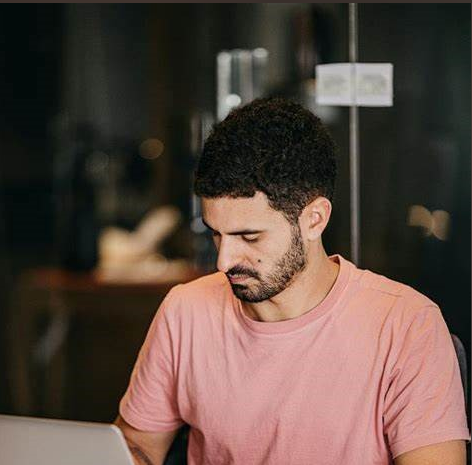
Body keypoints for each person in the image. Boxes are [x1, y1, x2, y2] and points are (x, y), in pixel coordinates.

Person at [115, 98, 470, 465]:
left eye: (249, 237)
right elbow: (136, 447)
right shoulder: (185, 310)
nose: (224, 262)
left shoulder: (407, 325)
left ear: (314, 219)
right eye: (216, 234)